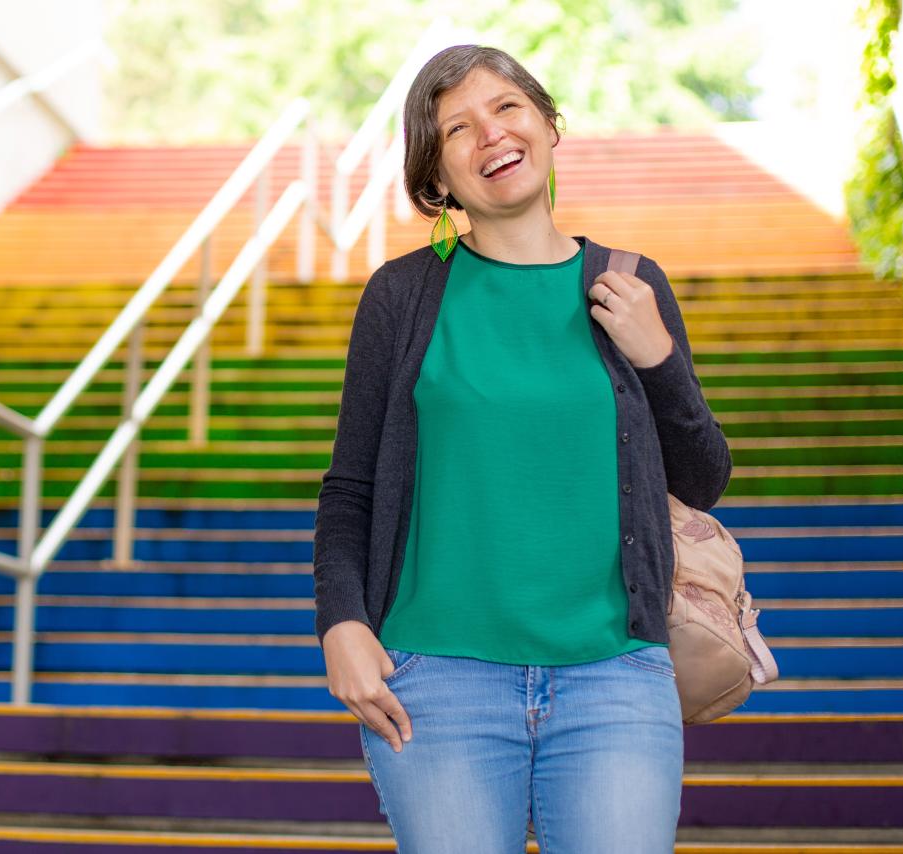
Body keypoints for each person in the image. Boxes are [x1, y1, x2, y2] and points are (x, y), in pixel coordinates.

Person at [312, 44, 732, 853]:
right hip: (436, 682)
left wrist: (658, 359)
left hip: (615, 677)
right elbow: (351, 489)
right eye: (455, 129)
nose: (490, 135)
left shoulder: (631, 284)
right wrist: (342, 623)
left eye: (507, 108)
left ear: (547, 124)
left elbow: (703, 479)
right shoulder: (402, 298)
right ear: (435, 179)